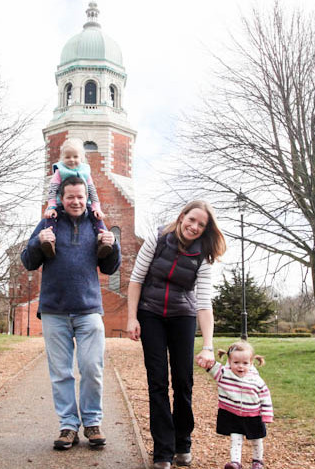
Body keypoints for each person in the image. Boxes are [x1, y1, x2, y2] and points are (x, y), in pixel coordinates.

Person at [20, 175, 121, 451]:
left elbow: (111, 268)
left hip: (89, 309)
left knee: (92, 368)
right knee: (61, 372)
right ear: (61, 199)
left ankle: (92, 422)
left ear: (87, 197)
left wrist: (113, 245)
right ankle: (68, 426)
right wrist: (37, 241)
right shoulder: (48, 222)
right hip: (54, 310)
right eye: (70, 197)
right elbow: (28, 261)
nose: (76, 201)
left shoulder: (96, 223)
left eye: (80, 196)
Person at [125, 200, 227, 469]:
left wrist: (207, 345)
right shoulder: (158, 239)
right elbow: (136, 280)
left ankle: (183, 443)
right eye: (191, 220)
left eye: (201, 225)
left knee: (183, 382)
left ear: (205, 230)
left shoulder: (203, 255)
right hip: (151, 314)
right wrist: (132, 318)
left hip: (183, 316)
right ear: (182, 217)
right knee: (157, 382)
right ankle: (162, 451)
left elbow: (203, 303)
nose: (194, 227)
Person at [200, 341, 274, 469]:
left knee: (256, 439)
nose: (240, 366)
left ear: (251, 363)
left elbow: (265, 398)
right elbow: (211, 367)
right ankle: (235, 462)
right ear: (229, 361)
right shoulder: (223, 374)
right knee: (236, 439)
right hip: (233, 414)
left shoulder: (256, 380)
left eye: (245, 363)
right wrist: (205, 361)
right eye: (236, 363)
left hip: (253, 415)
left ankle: (257, 461)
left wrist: (267, 416)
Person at [42, 137, 112, 259]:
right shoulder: (59, 171)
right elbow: (52, 190)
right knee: (51, 217)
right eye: (67, 157)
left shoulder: (85, 172)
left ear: (81, 158)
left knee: (96, 218)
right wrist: (51, 206)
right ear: (62, 158)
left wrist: (96, 207)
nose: (72, 160)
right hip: (60, 203)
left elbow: (92, 190)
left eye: (75, 157)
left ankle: (102, 241)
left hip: (87, 204)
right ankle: (49, 240)